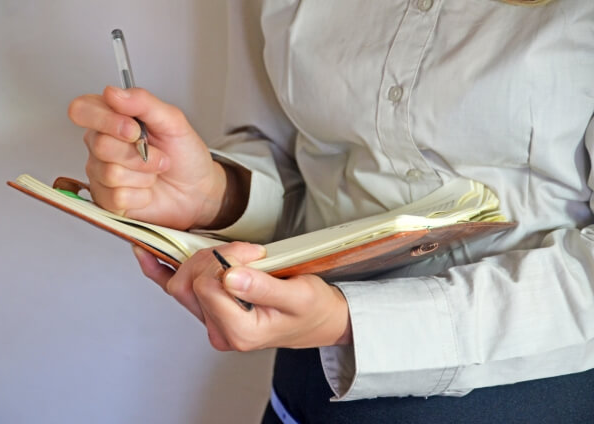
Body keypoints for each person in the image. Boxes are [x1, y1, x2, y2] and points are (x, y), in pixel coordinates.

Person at [68, 0, 594, 422]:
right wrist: (217, 194)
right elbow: (285, 154)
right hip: (301, 396)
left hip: (533, 398)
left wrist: (351, 321)